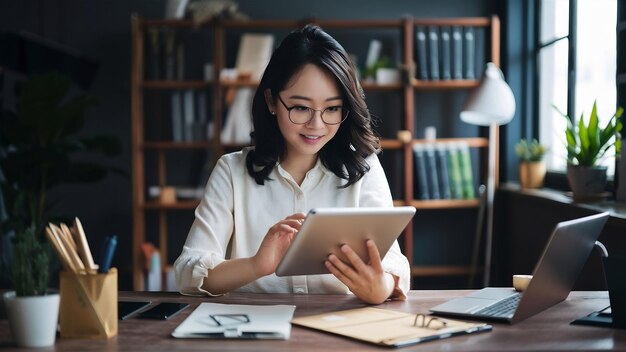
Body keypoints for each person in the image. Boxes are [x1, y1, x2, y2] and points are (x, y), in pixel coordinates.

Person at [174, 24, 410, 304]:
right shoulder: (232, 171)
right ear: (271, 100)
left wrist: (379, 287)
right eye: (300, 108)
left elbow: (393, 263)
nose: (316, 125)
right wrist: (256, 266)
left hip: (338, 334)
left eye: (332, 108)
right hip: (254, 331)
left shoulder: (364, 168)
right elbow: (188, 272)